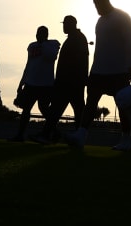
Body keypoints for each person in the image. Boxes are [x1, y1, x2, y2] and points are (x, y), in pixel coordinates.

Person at [63, 0, 131, 151]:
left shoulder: (122, 17)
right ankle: (81, 135)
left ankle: (126, 139)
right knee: (90, 103)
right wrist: (93, 69)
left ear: (106, 1)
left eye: (98, 4)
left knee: (122, 105)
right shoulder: (100, 21)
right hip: (98, 70)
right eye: (94, 4)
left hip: (119, 70)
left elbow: (129, 43)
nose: (96, 7)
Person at [33, 15, 89, 144]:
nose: (64, 26)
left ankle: (48, 135)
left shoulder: (77, 39)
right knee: (69, 111)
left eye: (65, 24)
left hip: (70, 82)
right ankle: (53, 135)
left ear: (72, 24)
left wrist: (79, 80)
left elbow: (81, 61)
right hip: (70, 82)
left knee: (64, 111)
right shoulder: (74, 38)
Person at [10, 25, 59, 141]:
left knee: (44, 108)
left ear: (46, 35)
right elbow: (29, 64)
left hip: (46, 84)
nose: (38, 36)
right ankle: (20, 135)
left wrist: (43, 44)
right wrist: (21, 82)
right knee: (26, 109)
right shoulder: (32, 46)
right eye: (37, 33)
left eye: (41, 33)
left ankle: (54, 131)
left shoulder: (52, 45)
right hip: (31, 83)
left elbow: (52, 57)